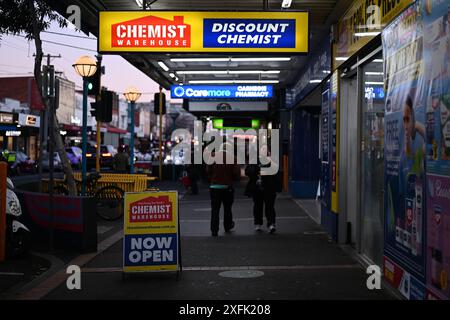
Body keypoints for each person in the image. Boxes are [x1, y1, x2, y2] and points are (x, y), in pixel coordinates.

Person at [206, 146, 240, 237]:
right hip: (227, 187)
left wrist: (213, 178)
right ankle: (227, 226)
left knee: (215, 210)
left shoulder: (213, 156)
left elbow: (208, 171)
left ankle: (214, 230)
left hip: (214, 187)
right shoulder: (232, 158)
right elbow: (236, 174)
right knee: (227, 208)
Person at [245, 152, 280, 234]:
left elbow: (276, 171)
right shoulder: (255, 160)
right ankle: (257, 224)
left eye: (266, 150)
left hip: (269, 187)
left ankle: (271, 224)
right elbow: (248, 171)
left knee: (270, 206)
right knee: (257, 206)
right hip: (257, 187)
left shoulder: (272, 160)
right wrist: (255, 174)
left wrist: (270, 161)